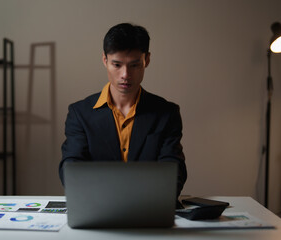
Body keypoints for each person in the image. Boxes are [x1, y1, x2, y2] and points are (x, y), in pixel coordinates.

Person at [59, 23, 187, 199]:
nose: (125, 74)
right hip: (97, 208)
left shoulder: (166, 113)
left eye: (134, 65)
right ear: (105, 60)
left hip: (149, 209)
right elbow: (71, 167)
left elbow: (174, 170)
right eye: (117, 64)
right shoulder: (79, 113)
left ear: (147, 60)